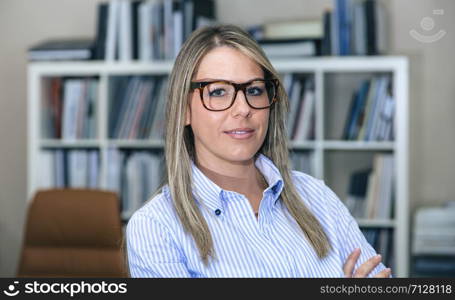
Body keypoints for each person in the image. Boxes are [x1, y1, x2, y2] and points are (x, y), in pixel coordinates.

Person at [126, 24, 392, 278]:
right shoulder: (156, 226)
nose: (243, 108)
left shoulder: (317, 198)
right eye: (218, 92)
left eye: (254, 90)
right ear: (184, 109)